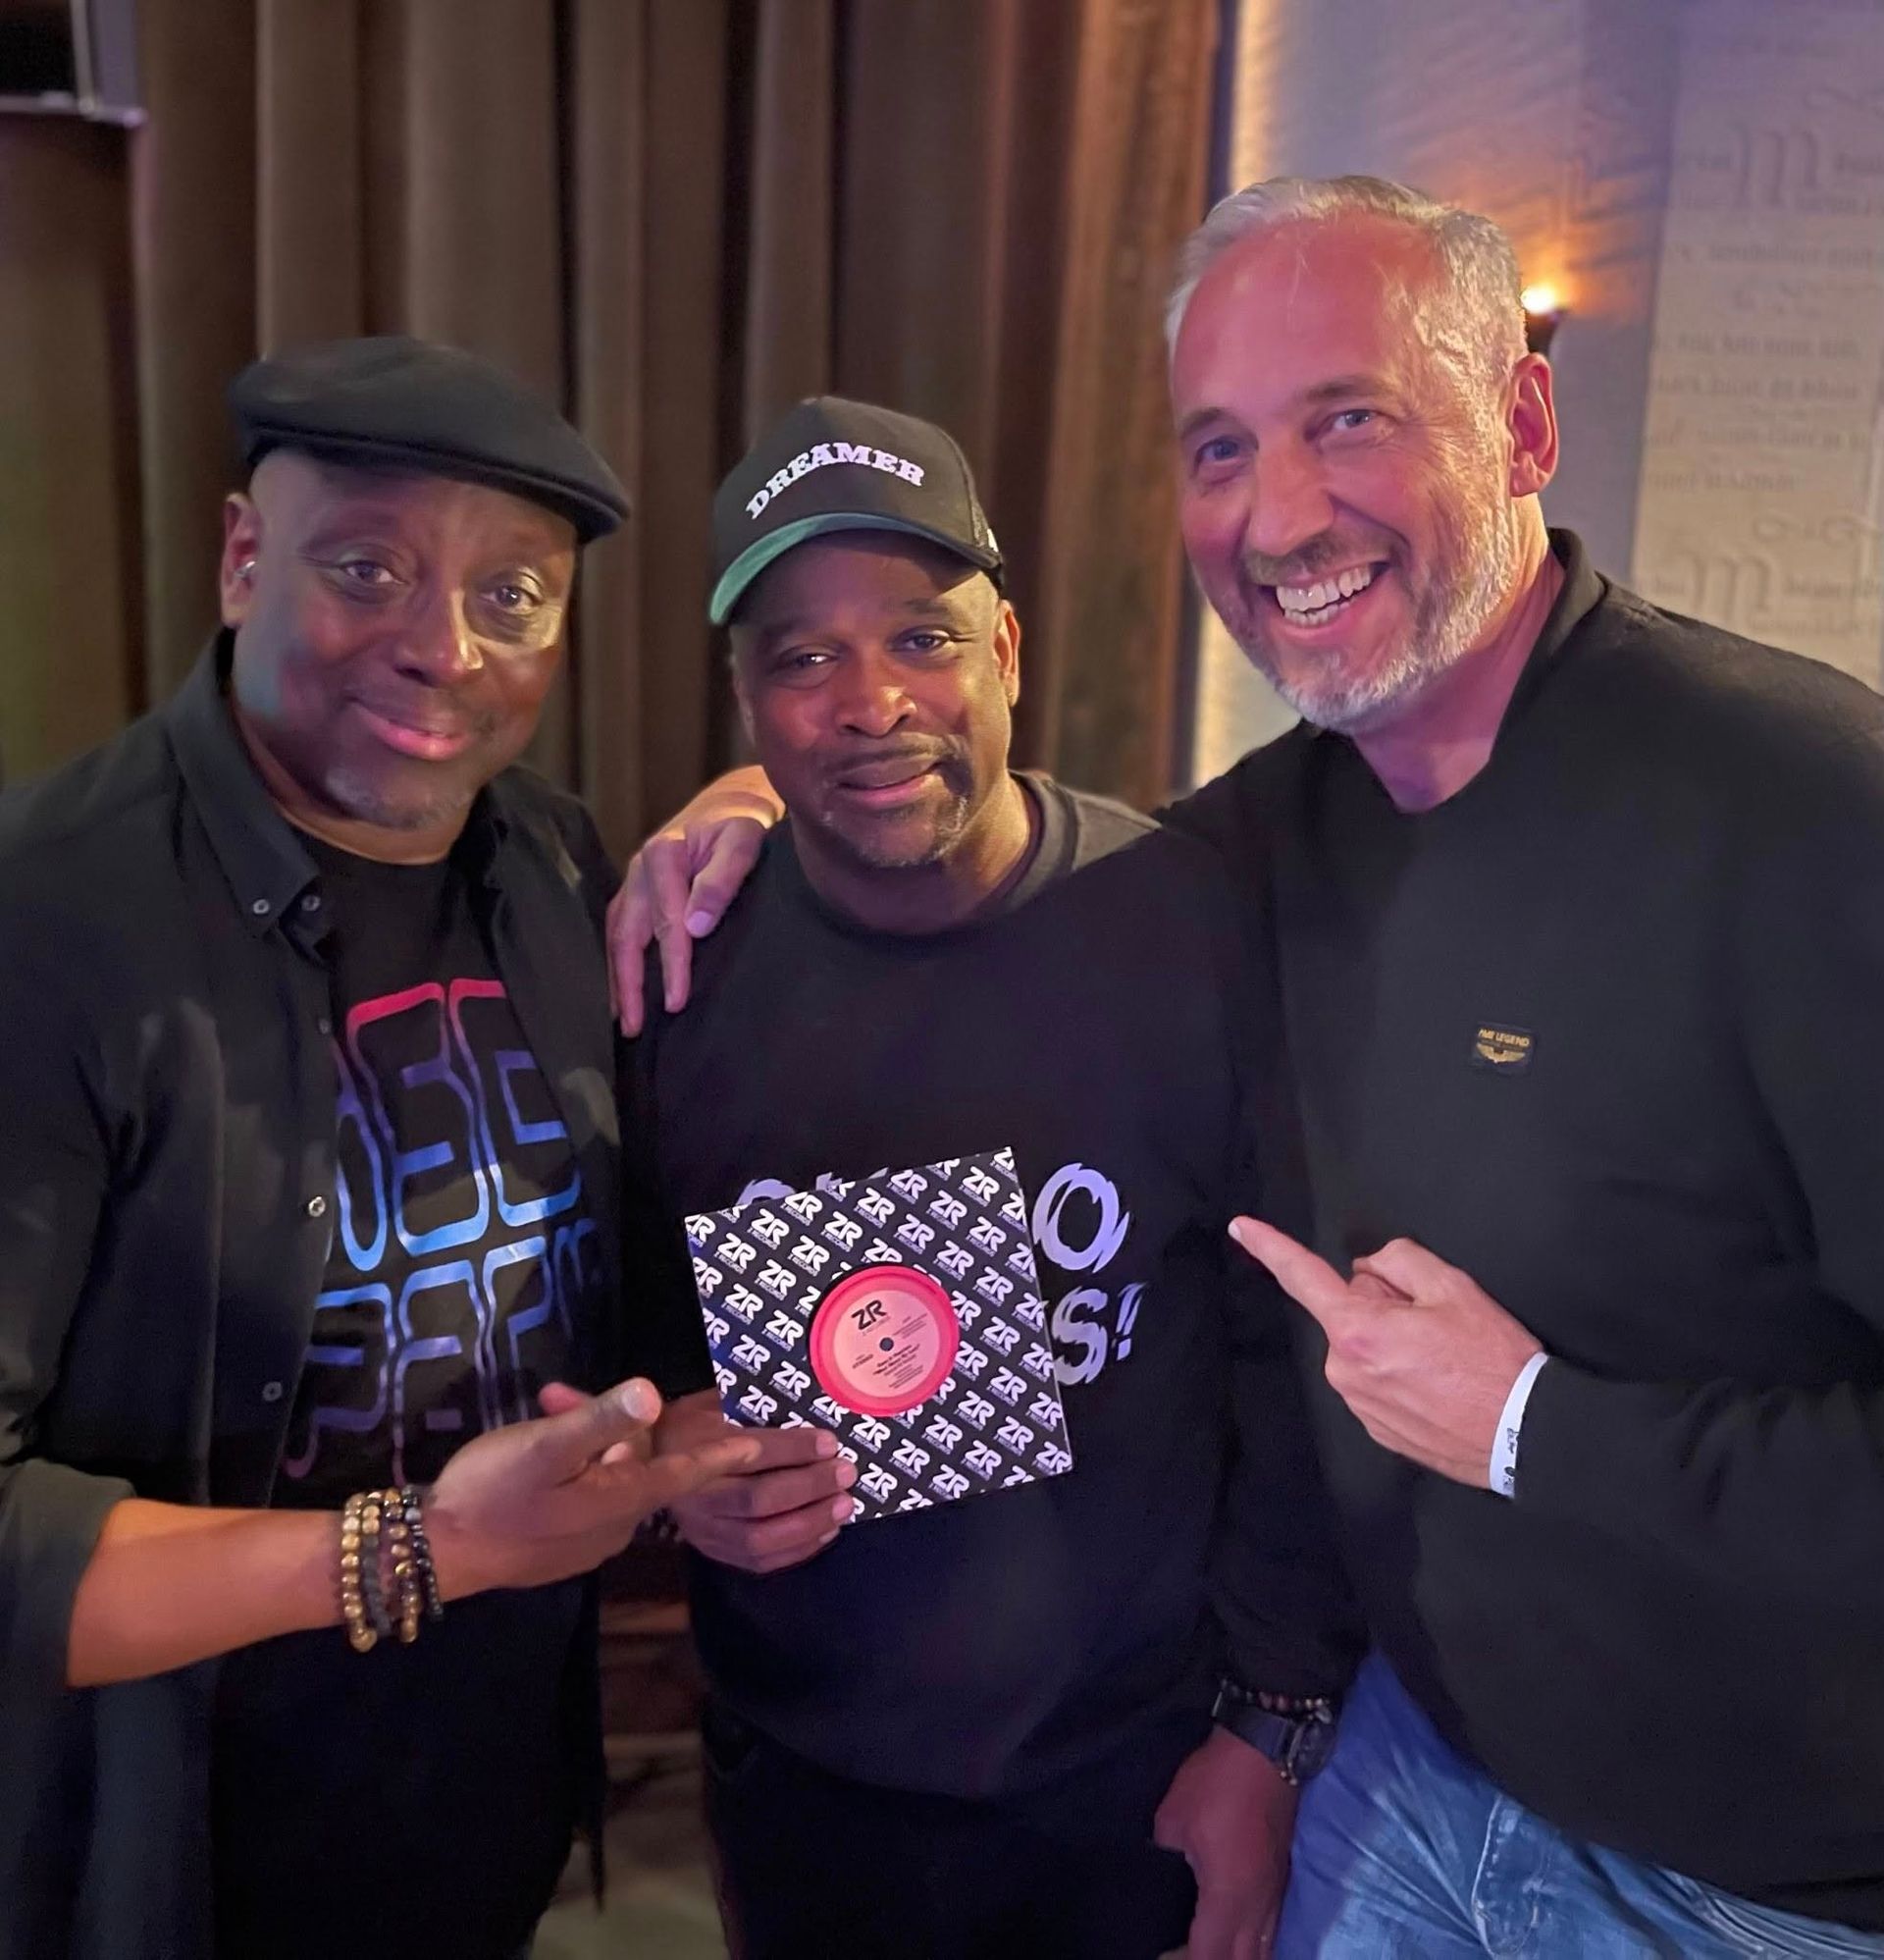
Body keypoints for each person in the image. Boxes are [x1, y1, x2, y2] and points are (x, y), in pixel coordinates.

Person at [612, 177, 1884, 1956]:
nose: (1279, 515)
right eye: (1221, 448)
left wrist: (1538, 1430)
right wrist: (749, 807)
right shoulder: (1244, 857)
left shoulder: (1807, 812)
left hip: (1751, 1882)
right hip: (1402, 1776)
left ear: (1524, 422)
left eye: (1347, 419)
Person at [0, 335, 766, 1960]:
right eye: (368, 570)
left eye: (512, 596)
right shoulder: (45, 922)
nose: (442, 647)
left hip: (483, 1805)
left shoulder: (553, 860)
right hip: (160, 1863)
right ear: (242, 558)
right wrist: (414, 1551)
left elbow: (610, 1274)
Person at [623, 396, 1359, 1960]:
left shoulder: (1187, 925)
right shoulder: (678, 972)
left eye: (922, 637)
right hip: (803, 1786)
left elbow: (1293, 1360)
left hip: (1132, 1781)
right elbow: (633, 1355)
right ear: (746, 699)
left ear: (1007, 651)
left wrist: (1271, 1730)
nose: (870, 703)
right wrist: (676, 1476)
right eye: (804, 658)